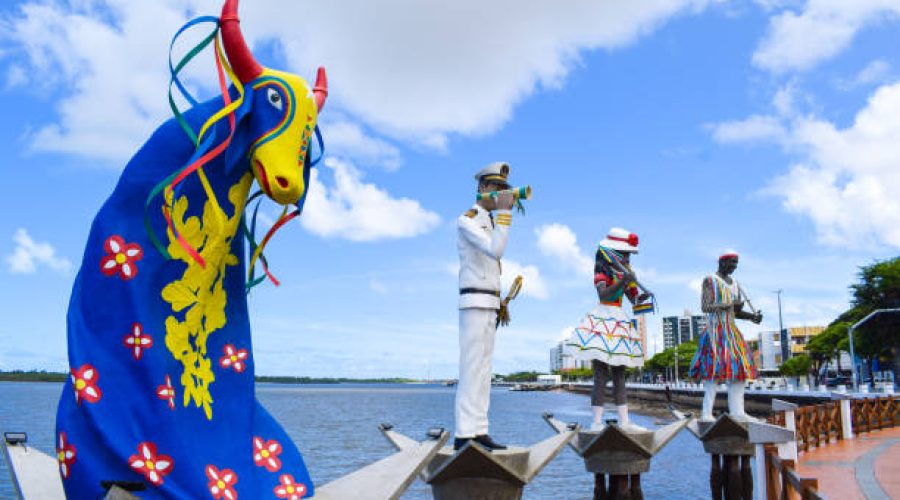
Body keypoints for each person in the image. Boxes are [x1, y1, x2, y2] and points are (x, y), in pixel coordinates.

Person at [454, 162, 516, 451]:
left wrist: (500, 216)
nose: (499, 193)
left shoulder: (490, 222)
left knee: (484, 371)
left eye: (502, 189)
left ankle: (479, 430)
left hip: (490, 302)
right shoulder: (467, 220)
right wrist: (505, 213)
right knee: (471, 368)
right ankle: (464, 434)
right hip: (474, 300)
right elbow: (496, 250)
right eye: (494, 188)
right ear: (481, 188)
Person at [564, 228, 651, 432]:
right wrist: (624, 280)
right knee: (600, 375)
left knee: (620, 375)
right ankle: (596, 422)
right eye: (626, 253)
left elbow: (633, 300)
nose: (628, 257)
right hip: (603, 319)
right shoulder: (602, 271)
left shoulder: (625, 273)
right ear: (615, 252)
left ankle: (624, 421)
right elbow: (604, 295)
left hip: (618, 319)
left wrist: (643, 297)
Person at [688, 252, 763, 422]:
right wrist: (730, 304)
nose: (733, 267)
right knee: (713, 372)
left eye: (736, 264)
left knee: (740, 371)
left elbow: (735, 312)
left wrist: (752, 317)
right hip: (715, 331)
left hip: (731, 332)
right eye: (731, 263)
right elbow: (706, 307)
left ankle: (738, 411)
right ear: (722, 262)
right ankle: (706, 413)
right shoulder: (710, 280)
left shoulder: (735, 284)